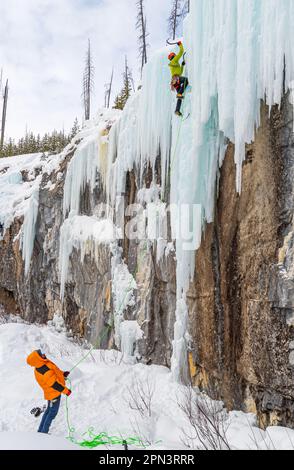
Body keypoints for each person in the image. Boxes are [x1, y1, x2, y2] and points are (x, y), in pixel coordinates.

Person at [27, 349, 72, 434]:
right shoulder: (44, 370)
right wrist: (66, 391)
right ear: (37, 359)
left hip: (51, 393)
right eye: (41, 355)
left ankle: (41, 432)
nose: (43, 354)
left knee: (48, 411)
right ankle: (44, 433)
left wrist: (62, 374)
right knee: (51, 413)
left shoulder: (42, 364)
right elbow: (54, 384)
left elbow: (54, 371)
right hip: (53, 394)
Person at [168, 41, 189, 117]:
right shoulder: (174, 61)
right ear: (173, 57)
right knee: (186, 80)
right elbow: (181, 52)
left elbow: (180, 72)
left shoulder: (175, 64)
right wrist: (180, 44)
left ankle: (177, 110)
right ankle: (179, 93)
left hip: (175, 82)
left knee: (179, 96)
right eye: (174, 56)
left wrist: (182, 65)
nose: (176, 56)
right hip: (176, 79)